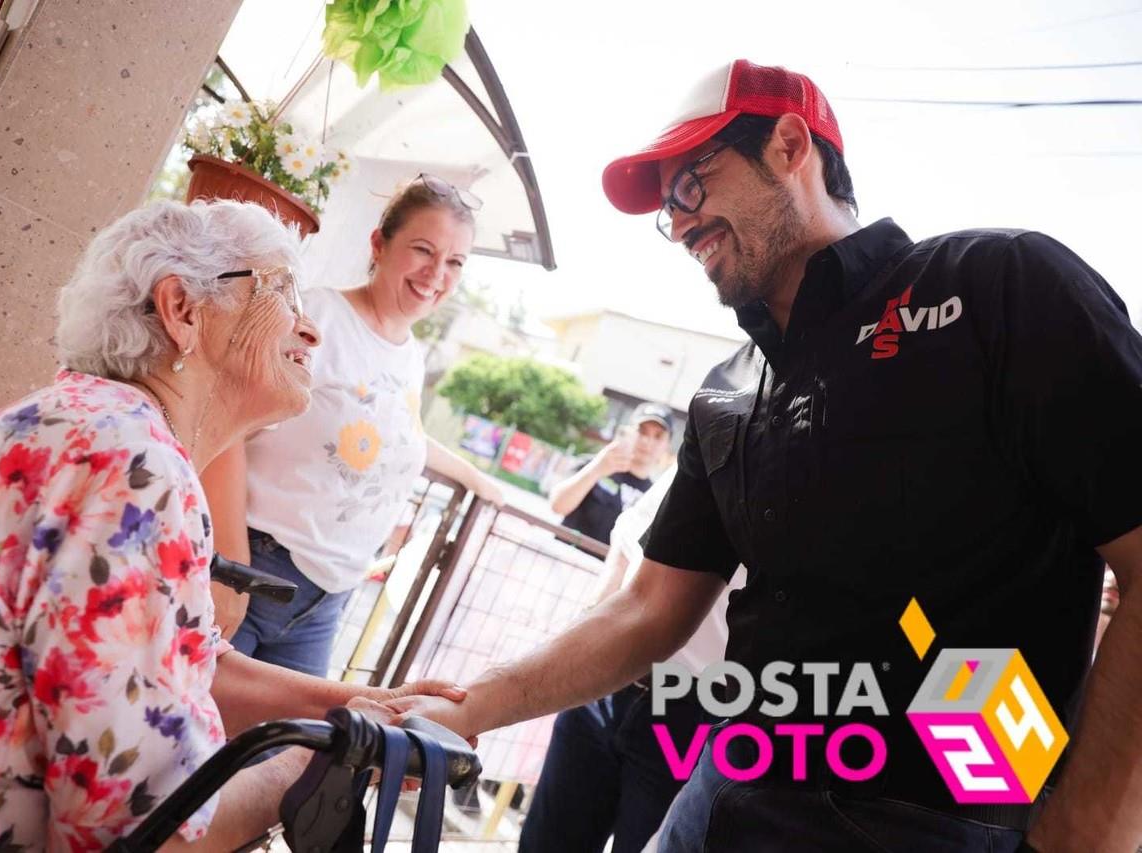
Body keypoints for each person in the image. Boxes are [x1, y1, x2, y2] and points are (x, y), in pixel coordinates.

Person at [381, 59, 1142, 853]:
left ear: (787, 145)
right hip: (721, 789)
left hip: (938, 817)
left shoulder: (997, 285)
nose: (678, 225)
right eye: (666, 212)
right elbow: (647, 608)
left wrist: (1084, 833)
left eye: (689, 188)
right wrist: (467, 707)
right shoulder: (728, 389)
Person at [0, 199, 462, 851]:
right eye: (282, 291)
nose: (310, 328)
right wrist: (317, 761)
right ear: (182, 310)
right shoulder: (130, 469)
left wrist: (369, 709)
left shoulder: (105, 430)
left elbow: (187, 660)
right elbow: (145, 836)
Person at [203, 175, 506, 678]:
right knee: (188, 743)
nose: (437, 274)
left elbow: (391, 432)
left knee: (283, 753)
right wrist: (228, 566)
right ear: (379, 244)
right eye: (423, 250)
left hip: (327, 601)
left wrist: (478, 479)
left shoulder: (410, 354)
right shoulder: (318, 317)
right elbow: (224, 426)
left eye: (455, 262)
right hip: (256, 569)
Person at [521, 464, 745, 853]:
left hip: (694, 709)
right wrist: (589, 632)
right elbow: (627, 542)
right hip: (603, 678)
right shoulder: (715, 435)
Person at [548, 403, 672, 548]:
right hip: (565, 559)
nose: (647, 441)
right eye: (642, 431)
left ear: (667, 445)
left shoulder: (656, 497)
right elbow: (557, 505)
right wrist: (597, 469)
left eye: (658, 436)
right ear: (629, 432)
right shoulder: (594, 464)